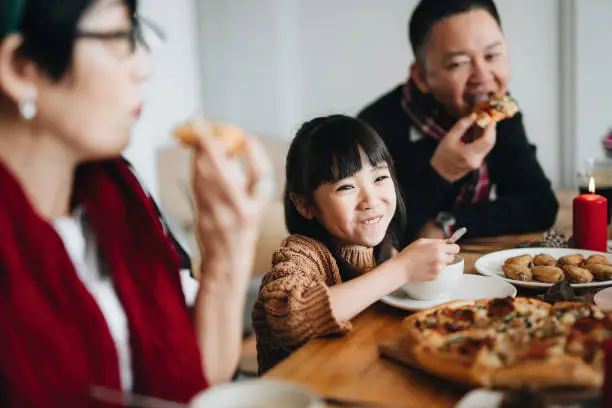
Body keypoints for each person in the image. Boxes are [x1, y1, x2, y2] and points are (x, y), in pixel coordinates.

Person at [0, 0, 270, 406]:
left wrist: (226, 254)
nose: (144, 66)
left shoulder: (119, 202)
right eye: (120, 39)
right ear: (21, 68)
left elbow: (201, 383)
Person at [251, 115, 459, 373]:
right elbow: (293, 318)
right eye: (346, 187)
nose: (370, 199)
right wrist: (401, 269)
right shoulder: (301, 254)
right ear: (304, 205)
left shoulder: (384, 251)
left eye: (380, 178)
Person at [358, 0, 559, 247]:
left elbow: (539, 204)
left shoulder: (500, 111)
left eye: (492, 55)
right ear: (421, 77)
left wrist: (446, 224)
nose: (483, 76)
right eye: (459, 63)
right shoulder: (374, 128)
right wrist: (442, 173)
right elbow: (373, 236)